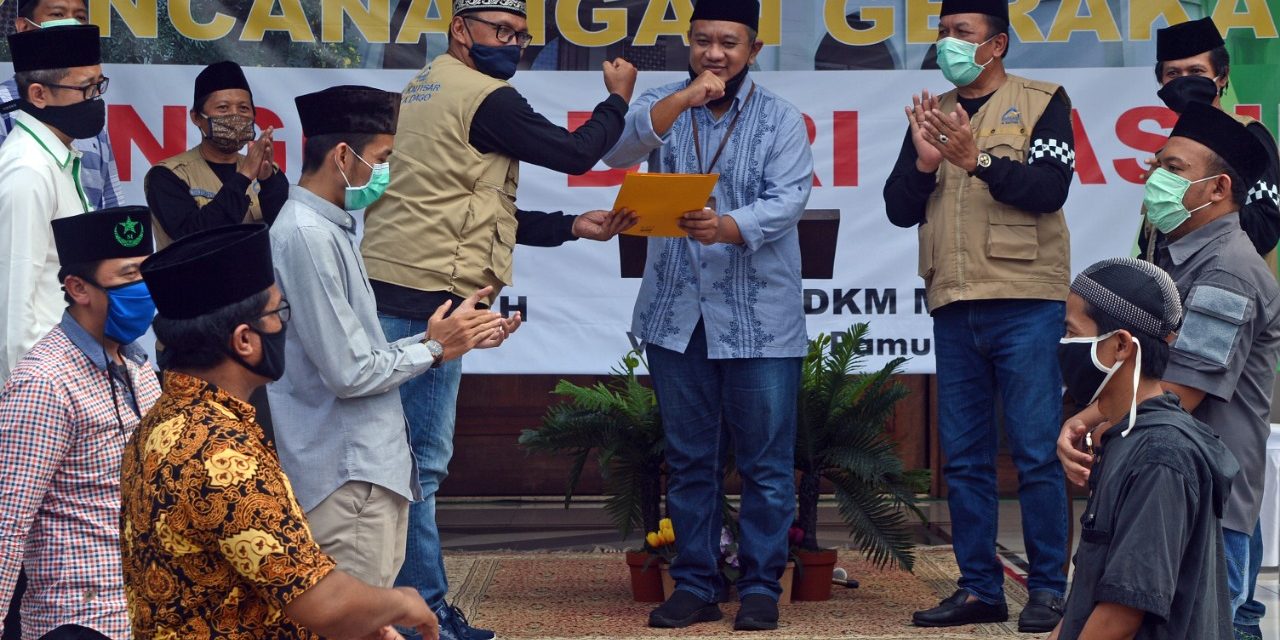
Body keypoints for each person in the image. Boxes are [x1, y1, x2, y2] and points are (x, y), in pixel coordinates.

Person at [359, 1, 637, 637]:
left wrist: (570, 226)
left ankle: (416, 608)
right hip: (426, 299)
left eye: (520, 36)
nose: (511, 44)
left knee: (404, 464)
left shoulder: (427, 82)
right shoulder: (486, 97)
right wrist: (617, 100)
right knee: (416, 468)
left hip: (409, 285)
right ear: (462, 30)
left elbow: (472, 204)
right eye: (499, 32)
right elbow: (574, 154)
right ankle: (425, 615)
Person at [121, 223, 439, 640]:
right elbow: (320, 602)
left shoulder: (162, 420)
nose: (284, 327)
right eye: (277, 313)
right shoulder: (222, 456)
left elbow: (265, 574)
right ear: (245, 340)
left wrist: (363, 618)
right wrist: (403, 602)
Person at [601, 0, 811, 630]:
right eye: (702, 43)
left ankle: (760, 588)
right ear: (689, 46)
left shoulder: (781, 119)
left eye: (728, 42)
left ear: (753, 48)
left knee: (766, 465)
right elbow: (616, 151)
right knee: (690, 460)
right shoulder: (666, 101)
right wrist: (684, 99)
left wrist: (727, 227)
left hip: (759, 319)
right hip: (675, 315)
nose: (714, 54)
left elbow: (789, 198)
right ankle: (693, 583)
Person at [269, 85, 512, 588]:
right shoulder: (307, 236)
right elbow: (350, 373)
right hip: (347, 475)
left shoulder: (331, 228)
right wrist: (434, 348)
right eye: (382, 158)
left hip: (368, 468)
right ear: (342, 155)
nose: (386, 172)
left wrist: (450, 338)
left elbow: (363, 354)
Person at [881, 0, 1075, 631]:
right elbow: (897, 208)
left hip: (1024, 301)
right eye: (942, 34)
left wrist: (979, 161)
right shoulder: (932, 113)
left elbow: (1050, 190)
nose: (947, 44)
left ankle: (1048, 588)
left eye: (961, 33)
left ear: (997, 45)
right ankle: (979, 590)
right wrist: (923, 163)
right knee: (962, 459)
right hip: (955, 303)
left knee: (1035, 452)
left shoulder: (1044, 100)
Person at [1058, 102, 1280, 640]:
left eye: (1174, 168)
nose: (1155, 177)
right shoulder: (1180, 253)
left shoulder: (1227, 271)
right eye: (1156, 164)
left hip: (1202, 507)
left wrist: (1088, 420)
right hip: (1164, 488)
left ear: (1217, 188)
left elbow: (1182, 390)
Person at [1048, 257, 1237, 640]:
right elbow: (1088, 597)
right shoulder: (1125, 437)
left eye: (1072, 332)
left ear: (1120, 346)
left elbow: (1121, 614)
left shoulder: (1160, 456)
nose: (1065, 345)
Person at [0, 207, 160, 640]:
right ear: (77, 288)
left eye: (148, 274)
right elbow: (6, 523)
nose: (144, 290)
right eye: (128, 278)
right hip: (81, 621)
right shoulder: (44, 382)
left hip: (145, 612)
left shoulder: (138, 363)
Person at [0, 23, 107, 381]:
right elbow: (13, 313)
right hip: (40, 391)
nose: (96, 98)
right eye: (85, 88)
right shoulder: (27, 170)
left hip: (66, 373)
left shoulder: (56, 159)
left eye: (99, 85)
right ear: (38, 94)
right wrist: (27, 403)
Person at [1138, 17, 1280, 266]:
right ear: (1161, 82)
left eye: (1196, 71)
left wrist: (1192, 198)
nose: (1183, 81)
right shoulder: (1169, 153)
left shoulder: (1248, 135)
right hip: (1172, 294)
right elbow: (1152, 242)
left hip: (1230, 287)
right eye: (1173, 73)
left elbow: (1265, 228)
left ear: (1222, 76)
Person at [143, 60, 287, 249]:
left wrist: (268, 182)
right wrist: (244, 177)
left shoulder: (269, 173)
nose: (235, 116)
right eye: (223, 108)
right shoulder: (167, 175)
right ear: (196, 118)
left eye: (243, 108)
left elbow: (285, 235)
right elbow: (194, 237)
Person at [0, 0, 124, 212]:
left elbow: (110, 204)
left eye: (81, 17)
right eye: (57, 14)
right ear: (24, 28)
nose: (71, 23)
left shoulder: (86, 109)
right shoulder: (5, 111)